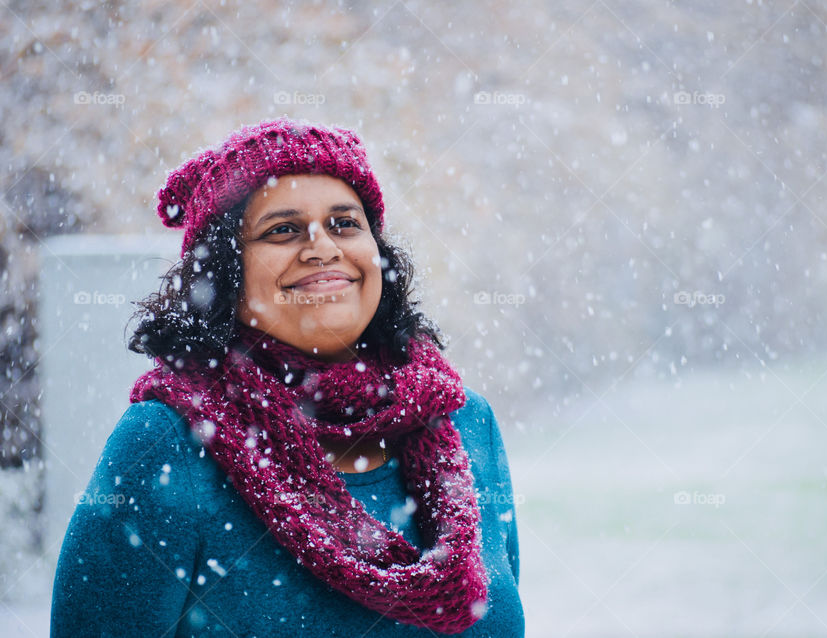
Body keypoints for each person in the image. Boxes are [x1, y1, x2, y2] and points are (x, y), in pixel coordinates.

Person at [50, 118, 525, 636]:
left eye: (345, 223)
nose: (322, 247)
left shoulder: (463, 421)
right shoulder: (165, 445)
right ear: (225, 273)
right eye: (282, 229)